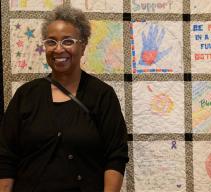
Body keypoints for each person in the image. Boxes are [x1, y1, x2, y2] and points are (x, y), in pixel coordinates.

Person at [0, 5, 128, 192]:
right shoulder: (25, 96)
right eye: (51, 42)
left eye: (68, 41)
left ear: (83, 46)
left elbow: (116, 155)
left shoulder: (102, 95)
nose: (58, 49)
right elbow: (6, 156)